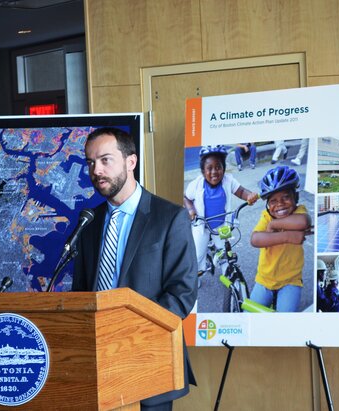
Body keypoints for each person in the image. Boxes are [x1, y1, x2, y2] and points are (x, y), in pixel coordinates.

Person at [71, 127, 198, 410]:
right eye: (90, 162)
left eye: (105, 160)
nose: (96, 170)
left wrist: (126, 332)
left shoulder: (170, 217)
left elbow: (182, 294)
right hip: (96, 365)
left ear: (131, 161)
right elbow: (81, 292)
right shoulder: (89, 222)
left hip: (148, 362)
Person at [183, 146, 258, 279]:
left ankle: (227, 272)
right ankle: (195, 276)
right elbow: (186, 198)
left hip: (223, 225)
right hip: (201, 225)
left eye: (218, 167)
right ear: (202, 171)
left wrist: (249, 196)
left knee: (225, 250)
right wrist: (190, 209)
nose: (214, 172)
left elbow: (241, 191)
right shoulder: (196, 184)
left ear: (223, 168)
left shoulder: (228, 180)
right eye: (209, 168)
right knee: (197, 254)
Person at [249, 166, 310, 312]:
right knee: (250, 317)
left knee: (286, 321)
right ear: (268, 205)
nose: (280, 204)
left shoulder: (298, 211)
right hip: (264, 279)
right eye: (273, 201)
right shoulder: (266, 216)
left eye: (286, 197)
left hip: (290, 280)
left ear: (295, 198)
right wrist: (288, 236)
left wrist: (274, 225)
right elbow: (255, 239)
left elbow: (303, 222)